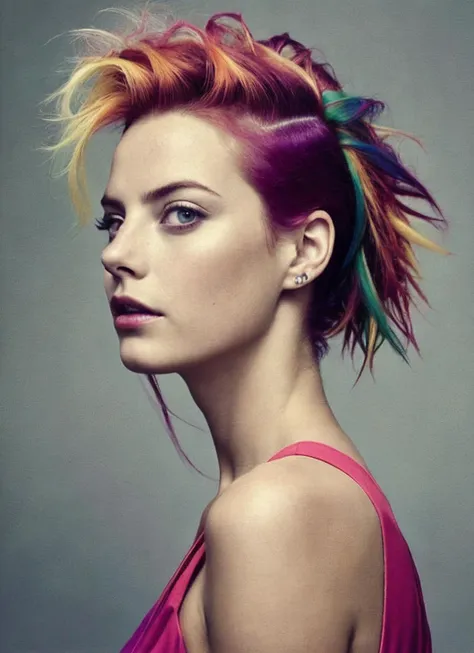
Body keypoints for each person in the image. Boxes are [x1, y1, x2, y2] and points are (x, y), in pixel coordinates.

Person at [43, 6, 450, 652]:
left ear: (304, 249)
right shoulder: (299, 501)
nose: (117, 254)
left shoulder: (277, 515)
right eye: (115, 221)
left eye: (180, 213)